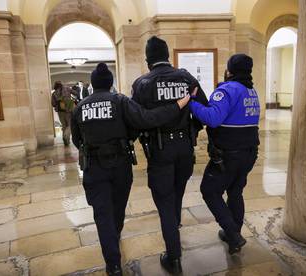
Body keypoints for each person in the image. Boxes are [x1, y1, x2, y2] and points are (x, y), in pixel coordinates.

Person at [71, 63, 190, 276]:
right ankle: (113, 237)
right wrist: (178, 105)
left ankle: (113, 264)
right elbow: (145, 120)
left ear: (93, 85)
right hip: (120, 165)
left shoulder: (80, 107)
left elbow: (76, 140)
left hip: (94, 167)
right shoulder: (120, 101)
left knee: (102, 214)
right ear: (110, 84)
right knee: (117, 209)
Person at [131, 36, 207, 274]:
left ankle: (173, 256)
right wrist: (191, 130)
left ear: (148, 60)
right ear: (168, 55)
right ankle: (174, 226)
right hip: (185, 148)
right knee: (177, 192)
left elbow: (135, 119)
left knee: (164, 200)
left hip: (159, 149)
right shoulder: (186, 78)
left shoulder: (142, 83)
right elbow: (203, 109)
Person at [189, 54, 260, 255]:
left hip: (230, 154)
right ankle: (233, 235)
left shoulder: (227, 90)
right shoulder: (251, 91)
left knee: (209, 190)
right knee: (235, 191)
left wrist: (192, 102)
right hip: (249, 153)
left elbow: (212, 118)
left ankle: (233, 234)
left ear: (229, 71)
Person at [51, 81, 78, 146]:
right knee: (69, 125)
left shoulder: (54, 93)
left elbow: (53, 103)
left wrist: (58, 104)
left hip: (60, 112)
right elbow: (76, 93)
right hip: (69, 109)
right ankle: (66, 136)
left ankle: (66, 141)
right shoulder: (67, 88)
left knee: (64, 125)